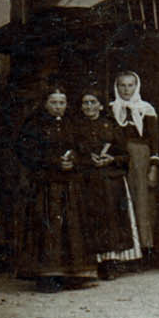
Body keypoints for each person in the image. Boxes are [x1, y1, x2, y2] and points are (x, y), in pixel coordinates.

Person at [14, 87, 98, 290]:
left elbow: (84, 149)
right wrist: (53, 161)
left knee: (72, 227)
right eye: (54, 102)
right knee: (49, 228)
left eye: (62, 103)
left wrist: (74, 160)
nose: (58, 107)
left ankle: (73, 274)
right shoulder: (34, 125)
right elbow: (26, 152)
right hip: (46, 185)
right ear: (46, 104)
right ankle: (48, 276)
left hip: (70, 184)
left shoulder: (72, 124)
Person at [79, 88, 141, 278]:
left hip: (110, 180)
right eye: (85, 103)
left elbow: (124, 155)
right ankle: (93, 262)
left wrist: (111, 160)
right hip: (87, 179)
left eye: (93, 102)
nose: (89, 106)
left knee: (112, 219)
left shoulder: (111, 127)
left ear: (101, 105)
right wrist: (89, 160)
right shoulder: (76, 128)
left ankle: (112, 261)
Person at [108, 70, 158, 258]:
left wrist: (153, 166)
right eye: (122, 85)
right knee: (121, 201)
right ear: (116, 86)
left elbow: (153, 140)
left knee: (141, 201)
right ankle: (125, 250)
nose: (126, 89)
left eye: (130, 85)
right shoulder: (111, 108)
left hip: (140, 159)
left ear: (136, 86)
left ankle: (145, 248)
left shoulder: (146, 109)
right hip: (119, 159)